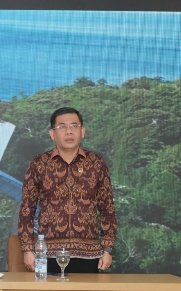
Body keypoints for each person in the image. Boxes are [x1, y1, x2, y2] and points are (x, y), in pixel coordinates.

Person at [19, 107, 117, 273]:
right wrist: (27, 249)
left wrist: (107, 249)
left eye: (74, 126)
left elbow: (107, 209)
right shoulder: (39, 163)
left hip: (89, 256)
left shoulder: (96, 163)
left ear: (82, 131)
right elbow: (27, 209)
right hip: (48, 254)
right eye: (62, 127)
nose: (69, 131)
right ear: (52, 134)